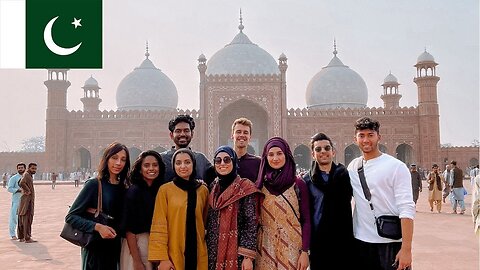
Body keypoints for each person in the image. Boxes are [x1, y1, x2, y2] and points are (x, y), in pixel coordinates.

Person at [347, 117, 414, 270]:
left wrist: (406, 249)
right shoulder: (353, 166)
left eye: (370, 135)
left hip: (390, 243)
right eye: (361, 135)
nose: (366, 140)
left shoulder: (396, 167)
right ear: (355, 139)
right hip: (361, 242)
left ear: (379, 137)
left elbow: (406, 209)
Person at [65, 142, 130, 270]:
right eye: (114, 158)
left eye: (123, 159)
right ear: (106, 159)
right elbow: (71, 217)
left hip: (117, 247)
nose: (118, 163)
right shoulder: (95, 184)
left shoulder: (124, 186)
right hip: (96, 249)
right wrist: (98, 227)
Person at [255, 137, 311, 270]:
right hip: (265, 248)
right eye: (271, 154)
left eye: (279, 153)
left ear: (287, 155)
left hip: (292, 248)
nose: (275, 158)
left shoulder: (298, 184)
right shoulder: (260, 185)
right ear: (265, 157)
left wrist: (305, 252)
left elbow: (306, 220)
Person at [148, 148, 209, 270]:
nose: (183, 166)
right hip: (173, 254)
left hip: (198, 253)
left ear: (193, 164)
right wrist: (163, 259)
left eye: (187, 162)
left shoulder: (203, 191)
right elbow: (159, 225)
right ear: (173, 166)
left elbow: (204, 221)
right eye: (178, 163)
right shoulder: (165, 190)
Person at [302, 132, 354, 269]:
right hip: (319, 242)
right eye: (318, 149)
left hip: (343, 239)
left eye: (326, 148)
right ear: (313, 154)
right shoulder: (307, 181)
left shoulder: (345, 176)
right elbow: (304, 215)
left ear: (333, 152)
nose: (323, 152)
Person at [206, 145, 262, 270]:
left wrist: (248, 257)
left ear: (234, 162)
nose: (222, 163)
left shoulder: (245, 187)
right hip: (213, 250)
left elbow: (251, 223)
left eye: (227, 159)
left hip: (237, 252)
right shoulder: (212, 187)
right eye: (218, 160)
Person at [120, 150, 165, 270]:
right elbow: (129, 230)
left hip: (156, 244)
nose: (151, 168)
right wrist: (136, 260)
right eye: (146, 165)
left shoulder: (160, 190)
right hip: (137, 245)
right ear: (140, 169)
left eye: (155, 165)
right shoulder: (133, 192)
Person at [160, 114, 215, 185]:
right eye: (178, 131)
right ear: (171, 135)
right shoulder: (163, 159)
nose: (182, 134)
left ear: (192, 134)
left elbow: (219, 176)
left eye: (186, 131)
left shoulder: (200, 159)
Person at [17, 162, 38, 243]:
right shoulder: (27, 174)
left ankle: (21, 237)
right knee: (27, 219)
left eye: (35, 169)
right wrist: (28, 190)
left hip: (25, 200)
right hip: (27, 201)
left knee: (22, 218)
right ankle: (27, 238)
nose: (34, 170)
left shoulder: (27, 175)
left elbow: (20, 182)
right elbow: (21, 183)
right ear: (29, 168)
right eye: (33, 168)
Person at [7, 163, 26, 240]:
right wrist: (18, 190)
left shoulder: (27, 177)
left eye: (21, 168)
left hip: (25, 201)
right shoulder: (14, 178)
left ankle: (23, 235)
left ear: (25, 168)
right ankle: (12, 234)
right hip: (16, 201)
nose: (20, 169)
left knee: (24, 219)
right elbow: (9, 188)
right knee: (14, 218)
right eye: (19, 168)